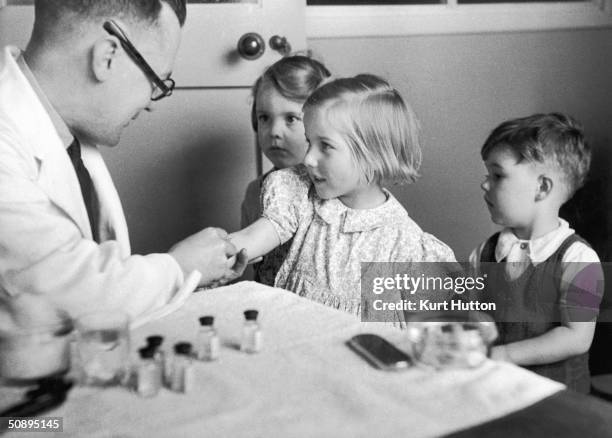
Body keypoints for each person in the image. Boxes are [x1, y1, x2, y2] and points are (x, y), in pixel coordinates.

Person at [0, 0, 247, 325]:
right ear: (108, 56)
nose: (149, 103)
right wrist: (180, 268)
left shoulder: (66, 131)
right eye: (157, 82)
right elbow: (54, 290)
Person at [231, 74, 455, 319]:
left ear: (373, 155)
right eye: (309, 142)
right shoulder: (298, 194)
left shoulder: (406, 246)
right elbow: (252, 238)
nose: (308, 158)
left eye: (325, 146)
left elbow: (444, 326)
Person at [469, 113, 604, 393]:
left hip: (557, 405)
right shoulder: (485, 253)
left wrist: (505, 355)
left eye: (497, 175)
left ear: (542, 187)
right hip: (499, 393)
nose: (484, 184)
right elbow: (475, 312)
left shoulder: (578, 260)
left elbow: (576, 337)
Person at [241, 54, 331, 286]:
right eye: (264, 118)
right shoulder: (256, 192)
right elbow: (254, 270)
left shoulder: (336, 189)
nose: (274, 131)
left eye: (291, 118)